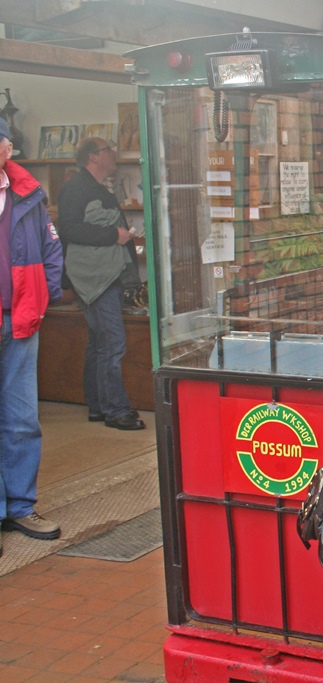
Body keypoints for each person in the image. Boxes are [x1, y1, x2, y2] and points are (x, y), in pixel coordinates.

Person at [0, 118, 65, 552]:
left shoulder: (28, 193)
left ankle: (21, 506)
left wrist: (47, 297)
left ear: (7, 149)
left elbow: (50, 248)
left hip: (20, 319)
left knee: (22, 419)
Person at [57, 137, 145, 431]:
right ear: (93, 157)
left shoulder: (94, 187)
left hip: (103, 274)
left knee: (99, 343)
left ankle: (98, 405)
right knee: (112, 343)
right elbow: (68, 229)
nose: (114, 154)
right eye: (108, 150)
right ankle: (116, 410)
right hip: (96, 277)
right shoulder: (77, 188)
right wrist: (113, 236)